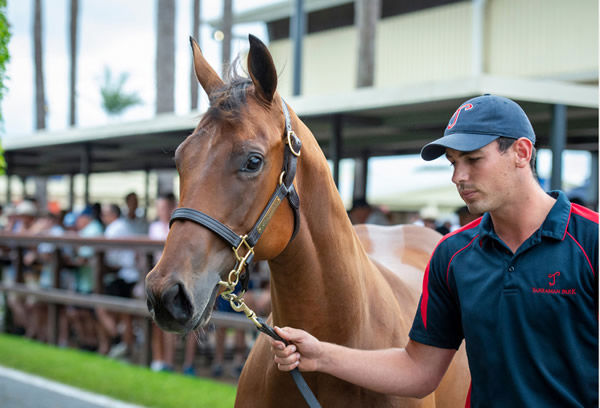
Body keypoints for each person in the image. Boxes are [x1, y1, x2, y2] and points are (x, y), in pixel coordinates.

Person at [270, 94, 598, 407]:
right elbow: (418, 370)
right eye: (453, 162)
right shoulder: (452, 255)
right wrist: (320, 355)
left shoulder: (591, 241)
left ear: (522, 153)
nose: (459, 176)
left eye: (473, 159)